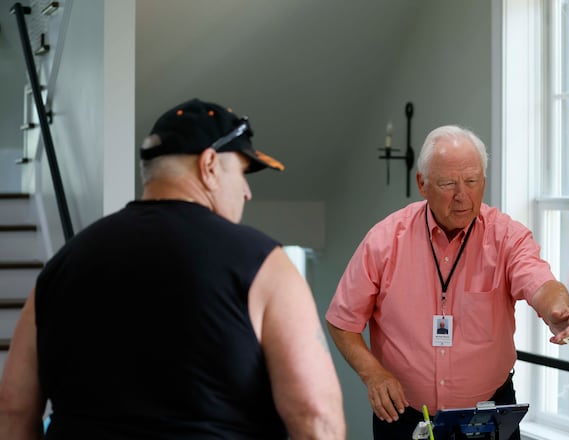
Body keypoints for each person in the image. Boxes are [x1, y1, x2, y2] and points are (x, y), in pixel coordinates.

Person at [0, 98, 346, 440]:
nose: (247, 192)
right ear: (209, 165)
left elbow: (13, 410)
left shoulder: (63, 263)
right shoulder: (263, 263)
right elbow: (315, 416)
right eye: (241, 173)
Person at [325, 124, 569, 440]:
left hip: (488, 417)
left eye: (472, 182)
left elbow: (541, 283)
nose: (462, 196)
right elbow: (342, 320)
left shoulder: (506, 236)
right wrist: (373, 375)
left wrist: (558, 310)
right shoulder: (385, 240)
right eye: (448, 183)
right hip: (404, 417)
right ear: (422, 184)